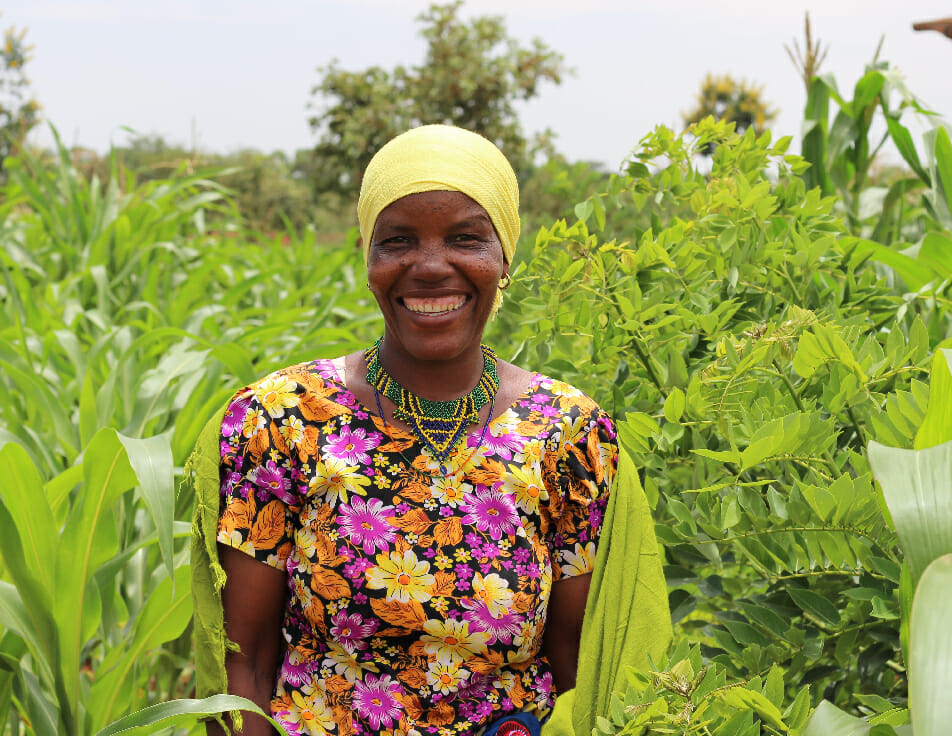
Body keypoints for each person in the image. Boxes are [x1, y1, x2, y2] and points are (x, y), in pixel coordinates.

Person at [198, 125, 651, 736]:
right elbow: (243, 667)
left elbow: (584, 675)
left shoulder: (569, 436)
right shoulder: (280, 421)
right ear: (368, 258)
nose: (432, 266)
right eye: (398, 240)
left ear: (504, 257)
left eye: (466, 237)